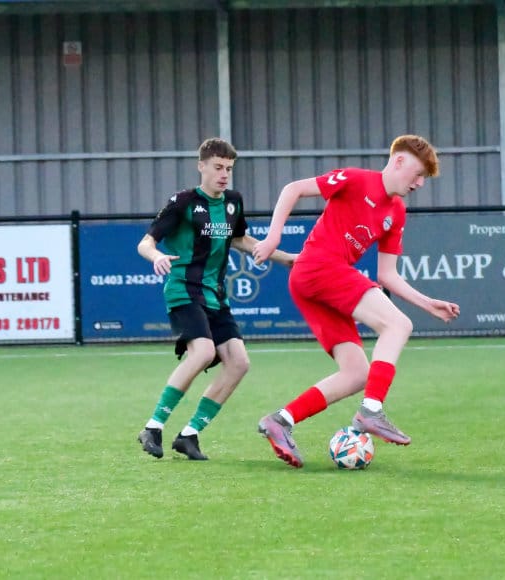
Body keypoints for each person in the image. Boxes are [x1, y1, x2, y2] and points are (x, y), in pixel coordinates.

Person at [250, 134, 460, 468]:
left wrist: (427, 303)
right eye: (419, 174)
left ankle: (280, 420)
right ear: (399, 161)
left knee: (357, 373)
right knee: (397, 325)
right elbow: (293, 189)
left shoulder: (397, 212)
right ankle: (371, 411)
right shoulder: (355, 179)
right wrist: (274, 236)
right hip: (318, 267)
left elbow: (388, 275)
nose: (420, 183)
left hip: (314, 281)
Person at [135, 137, 295, 461]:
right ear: (202, 166)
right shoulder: (183, 202)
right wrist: (156, 256)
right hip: (183, 289)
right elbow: (146, 243)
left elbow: (242, 241)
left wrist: (288, 258)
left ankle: (190, 434)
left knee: (239, 363)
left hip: (216, 296)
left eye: (229, 169)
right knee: (204, 352)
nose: (224, 174)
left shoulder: (233, 202)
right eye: (218, 167)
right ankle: (153, 427)